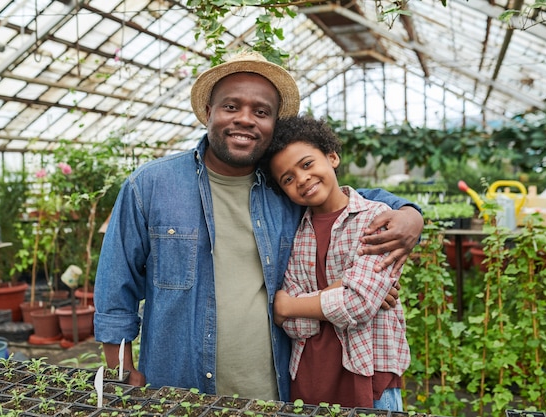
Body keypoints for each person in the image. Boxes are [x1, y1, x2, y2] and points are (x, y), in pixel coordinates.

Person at [93, 51, 422, 402]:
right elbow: (116, 291)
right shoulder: (151, 186)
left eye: (261, 112)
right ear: (209, 113)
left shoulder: (284, 188)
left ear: (273, 123)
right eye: (231, 107)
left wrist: (409, 213)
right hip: (178, 389)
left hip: (275, 391)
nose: (245, 120)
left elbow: (341, 196)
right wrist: (123, 375)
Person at [262, 115, 410, 410]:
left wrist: (289, 305)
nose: (301, 179)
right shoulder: (295, 231)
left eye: (307, 164)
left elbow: (359, 303)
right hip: (310, 376)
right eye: (287, 179)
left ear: (332, 157)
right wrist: (342, 288)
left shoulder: (375, 218)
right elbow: (295, 329)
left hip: (370, 374)